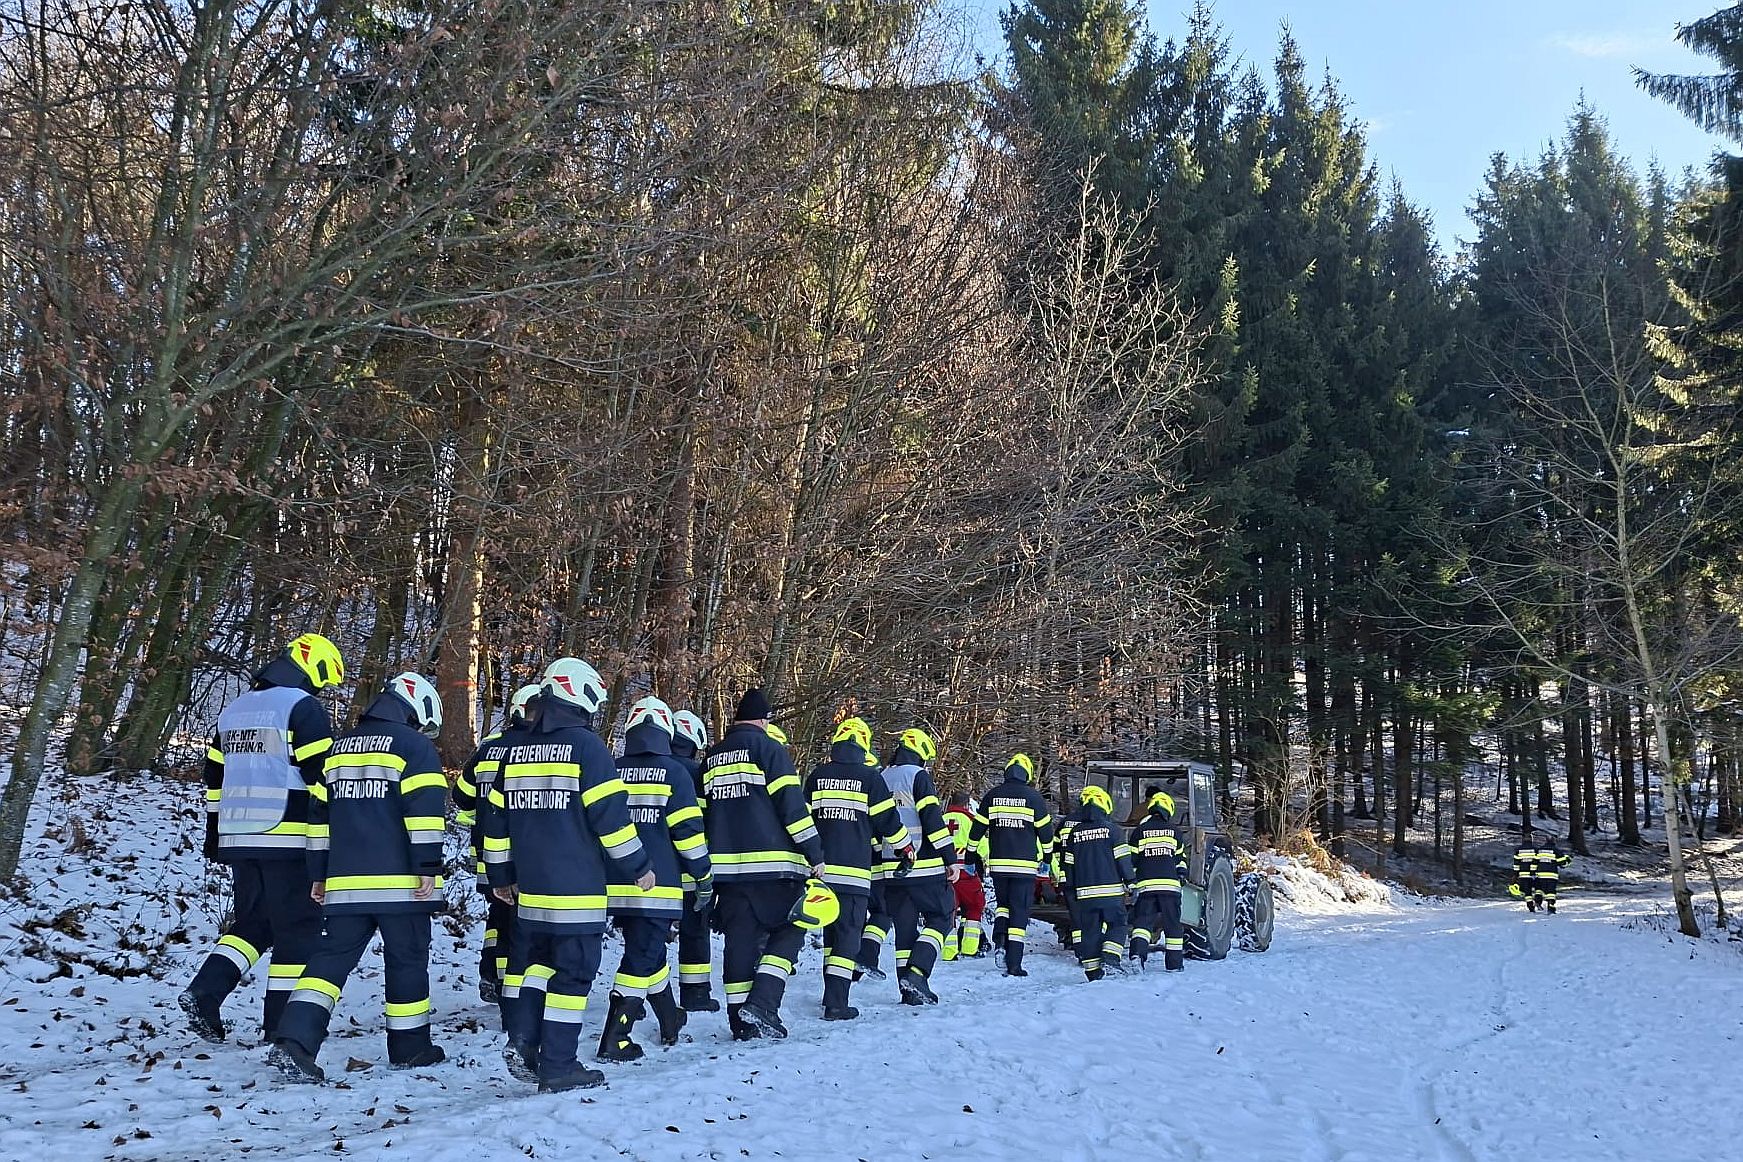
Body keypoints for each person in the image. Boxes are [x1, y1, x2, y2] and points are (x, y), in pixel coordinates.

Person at [267, 673, 450, 1081]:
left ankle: (294, 1041)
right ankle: (410, 1048)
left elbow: (318, 819)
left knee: (329, 961)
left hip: (345, 882)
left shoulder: (338, 749)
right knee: (407, 961)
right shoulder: (414, 747)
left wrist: (318, 873)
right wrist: (428, 867)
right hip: (401, 885)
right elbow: (424, 813)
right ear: (417, 709)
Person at [485, 657, 655, 1093]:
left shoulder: (514, 750)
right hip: (576, 888)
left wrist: (500, 875)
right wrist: (638, 866)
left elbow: (496, 820)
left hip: (530, 888)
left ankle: (523, 1042)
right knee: (573, 975)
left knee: (535, 967)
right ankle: (559, 1066)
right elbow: (610, 818)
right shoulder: (587, 748)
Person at [180, 633, 343, 1044]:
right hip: (288, 836)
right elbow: (322, 776)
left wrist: (214, 835)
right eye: (323, 680)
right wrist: (337, 829)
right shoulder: (302, 707)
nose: (321, 689)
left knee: (255, 923)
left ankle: (205, 992)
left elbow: (214, 779)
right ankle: (281, 1027)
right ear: (314, 669)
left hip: (238, 836)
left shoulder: (235, 709)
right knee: (298, 930)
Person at [701, 688, 825, 1040]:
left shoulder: (712, 757)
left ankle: (740, 1023)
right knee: (791, 929)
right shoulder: (769, 749)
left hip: (727, 871)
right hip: (775, 868)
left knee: (739, 943)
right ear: (763, 720)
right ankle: (764, 1004)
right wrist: (815, 853)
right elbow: (791, 807)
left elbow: (702, 814)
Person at [600, 696, 713, 1061]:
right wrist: (703, 876)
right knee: (639, 958)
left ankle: (669, 1017)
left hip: (614, 881)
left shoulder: (611, 768)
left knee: (649, 951)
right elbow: (688, 833)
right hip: (658, 885)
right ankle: (615, 1038)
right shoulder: (675, 773)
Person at [804, 717, 911, 1020]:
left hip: (821, 872)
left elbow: (802, 822)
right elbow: (889, 822)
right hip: (854, 875)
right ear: (864, 745)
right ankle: (837, 1004)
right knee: (848, 937)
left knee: (830, 935)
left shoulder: (817, 776)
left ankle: (830, 994)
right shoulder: (870, 779)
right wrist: (906, 848)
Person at [454, 682, 542, 1010]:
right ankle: (509, 985)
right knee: (519, 921)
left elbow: (461, 796)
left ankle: (490, 974)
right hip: (524, 854)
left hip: (486, 854)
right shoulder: (537, 749)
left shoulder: (487, 749)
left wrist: (482, 816)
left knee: (498, 914)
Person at [877, 728, 960, 1005]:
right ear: (921, 753)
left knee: (905, 930)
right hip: (924, 867)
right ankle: (918, 972)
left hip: (890, 869)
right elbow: (932, 820)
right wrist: (950, 858)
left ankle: (909, 992)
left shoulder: (881, 776)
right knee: (942, 917)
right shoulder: (917, 776)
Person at [968, 754, 1056, 977]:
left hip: (999, 866)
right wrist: (1047, 859)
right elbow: (1046, 835)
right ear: (1027, 774)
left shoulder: (993, 795)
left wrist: (970, 856)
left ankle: (999, 943)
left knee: (1003, 906)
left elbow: (976, 830)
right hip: (1024, 867)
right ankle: (1014, 963)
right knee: (1019, 911)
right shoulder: (1034, 798)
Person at [670, 709, 719, 1013]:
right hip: (691, 870)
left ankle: (638, 995)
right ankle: (695, 993)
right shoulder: (699, 774)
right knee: (695, 932)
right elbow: (709, 822)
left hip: (649, 873)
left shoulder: (645, 768)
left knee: (646, 937)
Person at [1059, 785, 1134, 980]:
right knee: (1118, 924)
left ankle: (1092, 972)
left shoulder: (1074, 833)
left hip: (1084, 896)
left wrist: (1070, 889)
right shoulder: (1113, 830)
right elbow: (1123, 860)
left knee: (1090, 932)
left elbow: (1068, 866)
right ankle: (1110, 958)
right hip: (1111, 894)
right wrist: (1131, 881)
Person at [1129, 789, 1186, 970]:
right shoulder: (1175, 832)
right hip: (1170, 888)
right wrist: (1181, 876)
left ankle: (1137, 956)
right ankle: (1174, 965)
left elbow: (1132, 860)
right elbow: (1180, 860)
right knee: (1173, 926)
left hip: (1146, 887)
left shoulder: (1139, 831)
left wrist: (1132, 881)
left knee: (1142, 924)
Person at [941, 791, 988, 960]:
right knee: (975, 906)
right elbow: (982, 845)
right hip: (966, 873)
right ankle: (969, 948)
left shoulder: (940, 820)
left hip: (943, 874)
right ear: (967, 805)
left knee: (948, 910)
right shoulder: (969, 820)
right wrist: (988, 862)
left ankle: (948, 952)